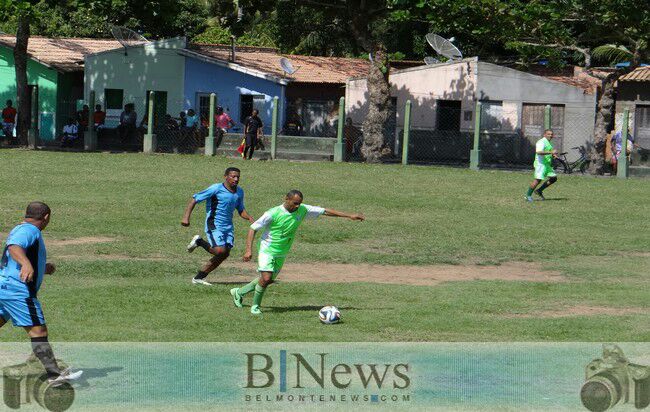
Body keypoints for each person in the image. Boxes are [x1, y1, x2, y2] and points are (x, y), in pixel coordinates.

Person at [232, 190, 364, 314]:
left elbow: (325, 211)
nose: (297, 206)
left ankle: (239, 292)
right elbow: (252, 228)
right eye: (295, 203)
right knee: (266, 278)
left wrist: (349, 216)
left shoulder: (303, 209)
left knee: (267, 279)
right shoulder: (273, 213)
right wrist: (248, 250)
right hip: (267, 250)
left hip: (282, 251)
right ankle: (255, 306)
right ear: (286, 199)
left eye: (299, 203)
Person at [0, 202, 83, 385]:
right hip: (17, 291)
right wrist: (28, 264)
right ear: (46, 217)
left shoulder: (21, 228)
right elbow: (14, 247)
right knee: (38, 331)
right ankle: (55, 375)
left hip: (4, 288)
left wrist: (41, 268)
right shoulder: (30, 231)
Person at [181, 167, 254, 285]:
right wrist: (186, 217)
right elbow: (195, 199)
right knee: (219, 251)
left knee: (224, 254)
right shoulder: (216, 189)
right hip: (214, 223)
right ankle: (199, 241)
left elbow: (241, 210)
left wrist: (250, 218)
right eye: (233, 176)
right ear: (226, 176)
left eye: (238, 177)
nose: (236, 179)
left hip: (228, 227)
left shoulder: (239, 191)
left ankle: (199, 278)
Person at [525, 129, 558, 202]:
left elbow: (548, 153)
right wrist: (551, 152)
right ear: (544, 135)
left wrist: (553, 155)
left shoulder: (548, 143)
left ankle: (539, 190)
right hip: (540, 164)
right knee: (538, 180)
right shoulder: (541, 142)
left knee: (553, 178)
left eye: (551, 134)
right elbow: (539, 152)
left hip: (546, 164)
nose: (550, 135)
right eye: (548, 134)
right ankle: (528, 195)